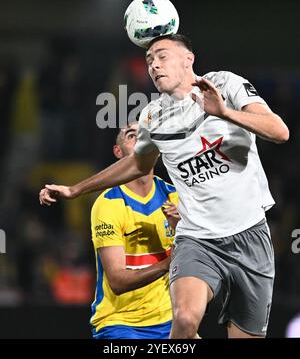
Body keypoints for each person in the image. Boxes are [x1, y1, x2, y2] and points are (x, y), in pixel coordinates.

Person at [40, 33, 289, 339]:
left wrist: (224, 113)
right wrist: (75, 190)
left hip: (250, 235)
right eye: (149, 61)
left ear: (188, 59)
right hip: (198, 239)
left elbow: (279, 131)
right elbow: (137, 163)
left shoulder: (226, 84)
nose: (154, 66)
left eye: (162, 56)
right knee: (185, 319)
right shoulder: (153, 116)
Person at [90, 123, 179, 339]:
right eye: (132, 136)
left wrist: (181, 228)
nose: (142, 140)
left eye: (146, 135)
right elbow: (118, 282)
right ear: (118, 152)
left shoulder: (176, 197)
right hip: (120, 323)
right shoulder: (108, 204)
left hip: (171, 321)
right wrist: (169, 263)